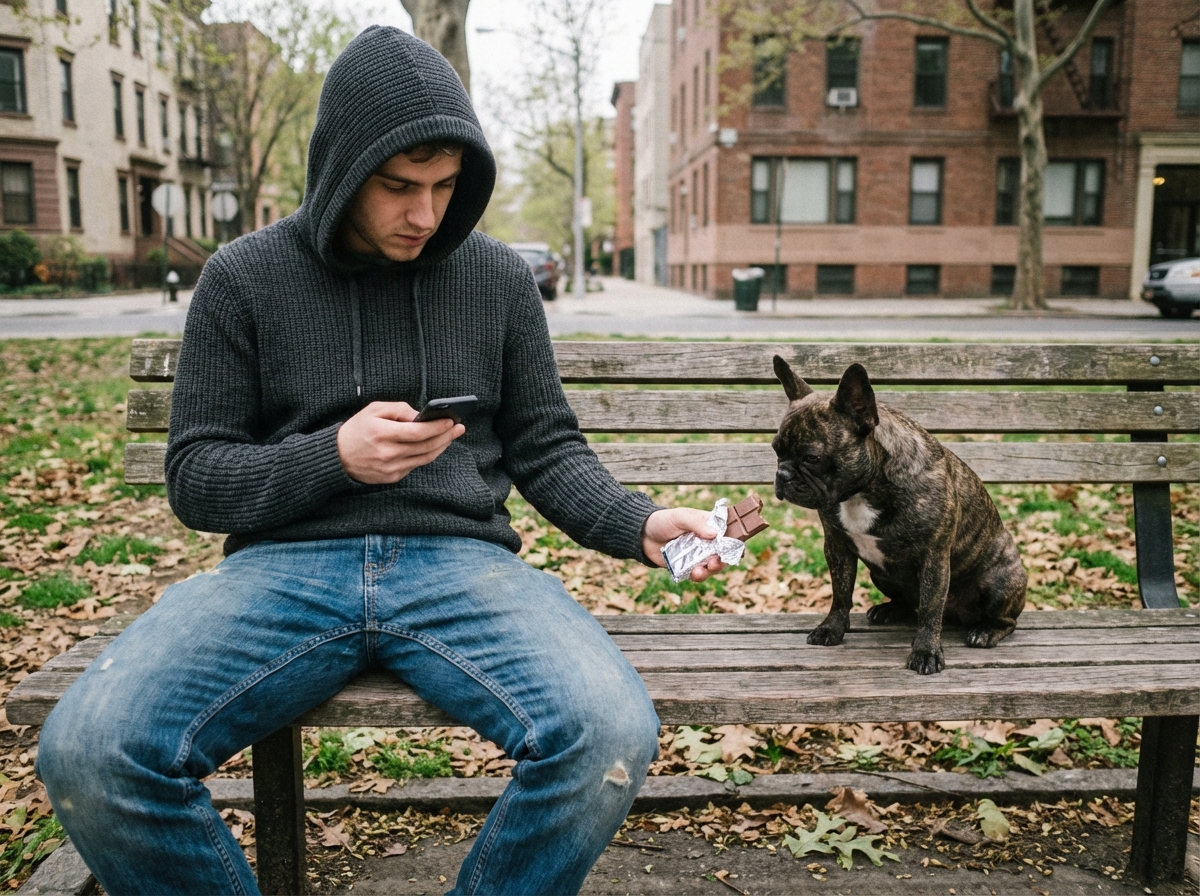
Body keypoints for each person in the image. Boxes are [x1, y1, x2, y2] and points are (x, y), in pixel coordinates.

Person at [35, 26, 725, 896]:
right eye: (398, 186)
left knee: (606, 734)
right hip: (282, 569)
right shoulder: (243, 278)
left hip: (462, 566)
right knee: (90, 753)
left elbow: (547, 447)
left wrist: (640, 522)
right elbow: (198, 476)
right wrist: (333, 457)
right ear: (340, 171)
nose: (424, 214)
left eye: (444, 187)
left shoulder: (497, 280)